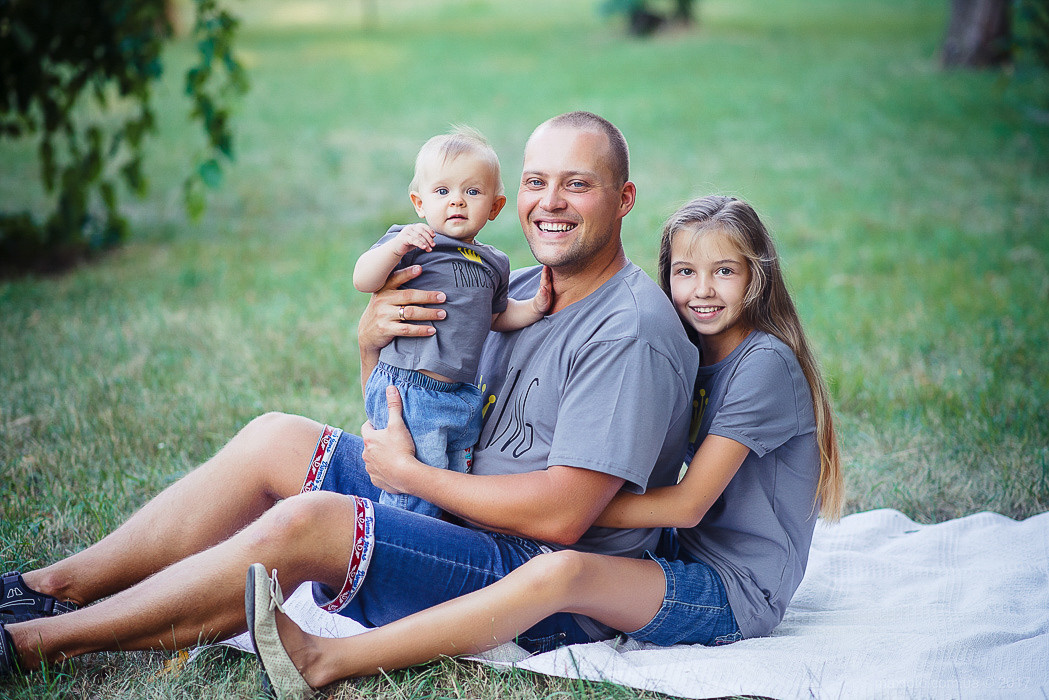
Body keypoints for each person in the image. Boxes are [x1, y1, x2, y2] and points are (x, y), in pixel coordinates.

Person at [0, 111, 698, 680]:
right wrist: (371, 345)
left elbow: (562, 518)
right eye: (535, 181)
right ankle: (47, 588)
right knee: (274, 436)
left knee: (312, 521)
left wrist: (411, 479)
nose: (549, 202)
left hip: (531, 582)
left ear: (623, 199)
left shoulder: (628, 332)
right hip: (451, 508)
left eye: (577, 185)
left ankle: (35, 644)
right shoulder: (505, 288)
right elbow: (405, 412)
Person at [244, 195, 845, 698]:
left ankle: (327, 659)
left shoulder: (763, 364)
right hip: (674, 552)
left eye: (725, 272)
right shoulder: (692, 348)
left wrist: (561, 502)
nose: (701, 290)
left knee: (564, 572)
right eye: (685, 272)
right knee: (551, 557)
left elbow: (687, 506)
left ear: (758, 275)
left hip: (732, 589)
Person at [353, 126, 550, 517]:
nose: (457, 201)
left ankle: (441, 539)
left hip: (460, 394)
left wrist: (535, 306)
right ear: (419, 202)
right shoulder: (415, 242)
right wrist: (395, 248)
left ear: (495, 207)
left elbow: (496, 316)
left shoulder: (495, 262)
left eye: (472, 192)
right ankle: (395, 536)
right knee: (413, 494)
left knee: (453, 485)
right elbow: (364, 279)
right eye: (442, 191)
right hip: (410, 387)